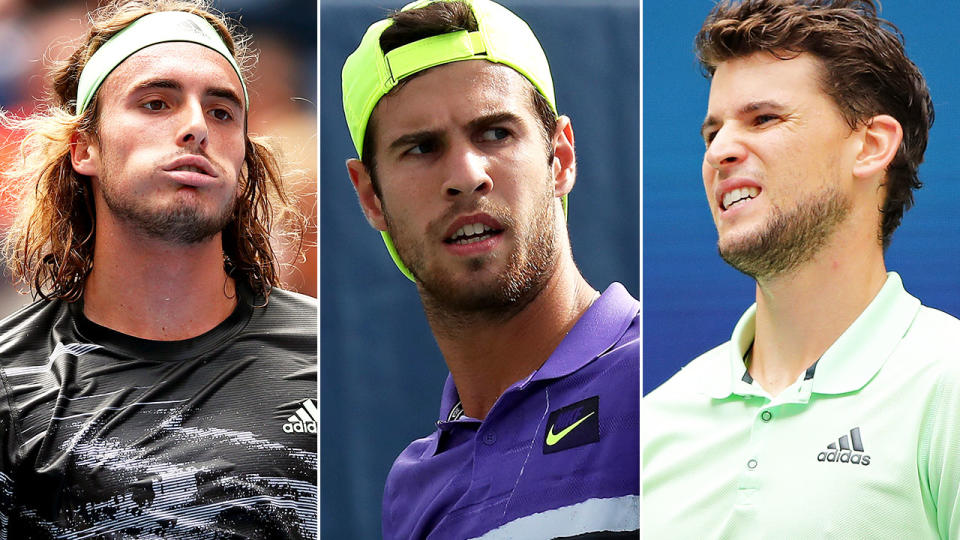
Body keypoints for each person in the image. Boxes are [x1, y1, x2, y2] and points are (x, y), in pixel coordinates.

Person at [643, 0, 960, 537]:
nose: (720, 150)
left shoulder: (946, 386)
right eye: (711, 132)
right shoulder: (655, 422)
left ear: (871, 145)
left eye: (763, 118)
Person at [0, 0, 316, 537]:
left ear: (242, 163)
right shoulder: (11, 383)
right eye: (155, 103)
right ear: (84, 147)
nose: (196, 126)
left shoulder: (331, 361)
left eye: (221, 112)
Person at [341, 0, 639, 538]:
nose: (465, 175)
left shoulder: (662, 383)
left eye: (496, 134)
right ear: (370, 196)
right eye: (421, 148)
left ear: (561, 159)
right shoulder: (412, 491)